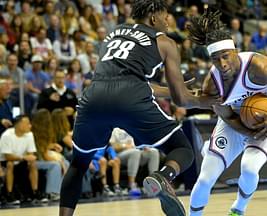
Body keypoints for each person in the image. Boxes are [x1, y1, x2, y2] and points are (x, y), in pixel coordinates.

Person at [59, 1, 219, 216]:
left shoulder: (114, 32)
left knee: (78, 164)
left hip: (94, 96)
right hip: (131, 99)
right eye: (165, 17)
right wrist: (209, 100)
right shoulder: (165, 42)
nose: (168, 22)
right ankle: (163, 177)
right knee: (182, 148)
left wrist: (166, 89)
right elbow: (181, 100)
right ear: (153, 18)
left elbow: (124, 78)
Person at [187, 10, 267, 216]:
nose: (222, 64)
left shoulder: (261, 68)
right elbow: (228, 116)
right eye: (216, 60)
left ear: (236, 51)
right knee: (205, 178)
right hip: (233, 118)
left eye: (225, 57)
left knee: (249, 169)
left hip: (266, 118)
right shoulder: (213, 85)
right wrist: (245, 131)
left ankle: (238, 209)